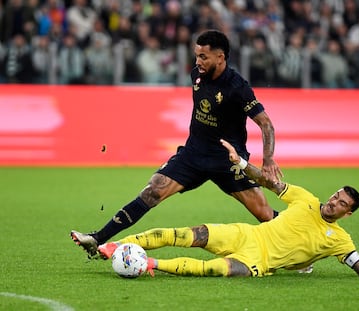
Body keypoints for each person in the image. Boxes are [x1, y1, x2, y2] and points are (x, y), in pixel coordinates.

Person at [71, 30, 283, 258]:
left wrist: (268, 159)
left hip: (227, 161)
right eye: (196, 56)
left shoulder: (237, 87)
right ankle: (97, 238)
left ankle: (301, 249)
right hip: (192, 156)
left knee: (264, 213)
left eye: (204, 57)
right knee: (151, 192)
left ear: (220, 57)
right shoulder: (197, 76)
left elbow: (266, 124)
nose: (198, 62)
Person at [96, 139, 359, 279]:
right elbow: (269, 183)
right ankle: (115, 245)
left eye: (341, 203)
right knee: (188, 234)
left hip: (260, 262)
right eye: (336, 195)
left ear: (348, 213)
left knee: (214, 270)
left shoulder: (339, 240)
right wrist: (240, 164)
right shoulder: (304, 198)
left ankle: (150, 265)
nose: (333, 202)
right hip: (247, 235)